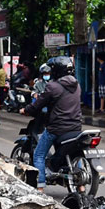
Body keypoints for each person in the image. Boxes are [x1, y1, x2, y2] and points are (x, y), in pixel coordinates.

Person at [20, 56, 81, 192]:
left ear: (57, 71)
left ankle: (40, 188)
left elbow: (38, 105)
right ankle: (81, 187)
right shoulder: (77, 85)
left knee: (38, 155)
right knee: (75, 151)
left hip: (57, 128)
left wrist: (25, 110)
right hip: (76, 127)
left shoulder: (53, 87)